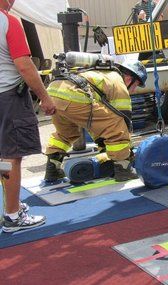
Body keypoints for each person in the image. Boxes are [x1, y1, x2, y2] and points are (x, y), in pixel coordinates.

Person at [44, 57, 147, 183]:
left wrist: (103, 143)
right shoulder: (119, 83)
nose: (134, 90)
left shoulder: (103, 73)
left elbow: (98, 120)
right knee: (117, 127)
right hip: (73, 96)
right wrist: (126, 152)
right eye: (136, 85)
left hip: (53, 93)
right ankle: (123, 169)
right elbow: (123, 119)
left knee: (65, 133)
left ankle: (52, 170)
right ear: (129, 79)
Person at [0, 0, 56, 232]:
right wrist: (44, 96)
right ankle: (13, 216)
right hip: (8, 96)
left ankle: (11, 207)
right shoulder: (8, 21)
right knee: (11, 157)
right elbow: (23, 64)